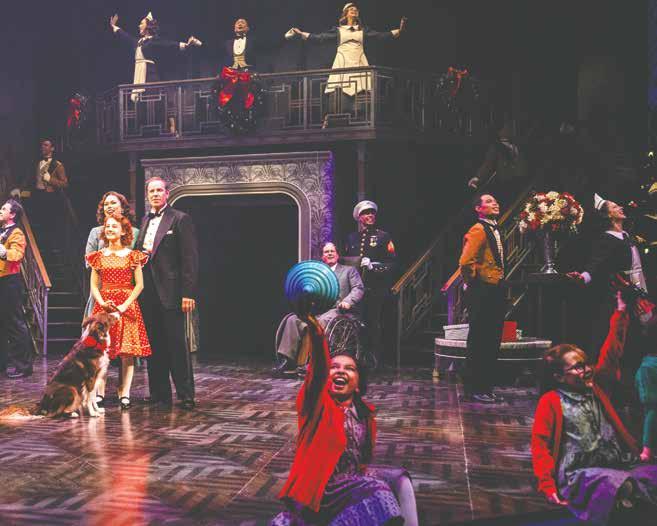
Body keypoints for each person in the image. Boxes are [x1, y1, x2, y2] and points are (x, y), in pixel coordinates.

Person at [273, 315, 418, 525]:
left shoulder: (365, 415)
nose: (340, 370)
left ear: (358, 384)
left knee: (400, 479)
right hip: (324, 488)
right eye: (335, 367)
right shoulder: (316, 405)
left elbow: (361, 460)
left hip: (350, 481)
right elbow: (318, 371)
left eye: (349, 368)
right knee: (378, 492)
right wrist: (317, 332)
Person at [531, 294, 657, 524]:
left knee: (648, 478)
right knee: (621, 486)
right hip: (580, 474)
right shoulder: (551, 401)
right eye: (578, 367)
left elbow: (612, 350)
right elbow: (540, 445)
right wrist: (547, 485)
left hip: (615, 463)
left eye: (586, 363)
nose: (587, 370)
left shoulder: (596, 387)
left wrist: (621, 312)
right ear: (558, 376)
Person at [568, 194, 650, 395]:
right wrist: (584, 277)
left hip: (638, 289)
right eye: (615, 207)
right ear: (608, 216)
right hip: (622, 295)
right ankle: (614, 389)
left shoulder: (627, 236)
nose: (620, 207)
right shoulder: (606, 238)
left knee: (637, 337)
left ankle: (632, 387)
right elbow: (596, 263)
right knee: (621, 338)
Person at [135, 177, 199, 410]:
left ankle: (185, 394)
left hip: (171, 291)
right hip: (148, 291)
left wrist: (187, 293)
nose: (155, 194)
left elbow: (189, 259)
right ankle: (159, 393)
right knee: (154, 344)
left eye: (159, 190)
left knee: (176, 345)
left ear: (167, 193)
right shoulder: (144, 220)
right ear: (147, 195)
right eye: (151, 191)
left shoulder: (180, 219)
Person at [285, 4, 405, 123]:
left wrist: (398, 31)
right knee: (340, 86)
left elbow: (379, 36)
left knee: (361, 86)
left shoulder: (363, 30)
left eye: (356, 9)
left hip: (359, 61)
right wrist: (302, 33)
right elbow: (321, 37)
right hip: (343, 61)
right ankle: (333, 118)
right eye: (351, 9)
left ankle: (362, 117)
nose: (354, 10)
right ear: (345, 13)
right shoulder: (338, 30)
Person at [87, 216, 151, 410]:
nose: (110, 229)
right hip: (104, 306)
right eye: (107, 226)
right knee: (102, 351)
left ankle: (125, 393)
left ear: (123, 231)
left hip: (126, 306)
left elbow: (139, 285)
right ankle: (100, 392)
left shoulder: (133, 256)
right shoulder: (98, 256)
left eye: (114, 226)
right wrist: (101, 303)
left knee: (127, 353)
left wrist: (124, 305)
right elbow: (94, 285)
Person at [274, 242, 364, 377]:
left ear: (337, 254)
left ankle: (313, 361)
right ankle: (287, 359)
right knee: (292, 320)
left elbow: (358, 288)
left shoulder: (349, 271)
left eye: (332, 251)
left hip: (338, 309)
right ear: (322, 256)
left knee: (321, 322)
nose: (330, 254)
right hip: (318, 308)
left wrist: (348, 301)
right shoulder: (317, 273)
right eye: (326, 252)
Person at [458, 194, 506, 403]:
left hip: (495, 288)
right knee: (480, 339)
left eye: (495, 200)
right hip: (482, 288)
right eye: (489, 201)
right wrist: (473, 281)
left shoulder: (494, 228)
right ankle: (475, 387)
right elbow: (466, 261)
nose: (495, 203)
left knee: (492, 339)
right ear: (478, 208)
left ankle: (486, 387)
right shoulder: (478, 229)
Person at [343, 200, 396, 365]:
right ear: (359, 217)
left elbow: (392, 263)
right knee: (355, 321)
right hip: (355, 288)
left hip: (375, 288)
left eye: (372, 213)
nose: (370, 215)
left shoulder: (383, 237)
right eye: (366, 213)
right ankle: (355, 355)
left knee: (373, 323)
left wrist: (374, 266)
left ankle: (374, 358)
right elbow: (346, 262)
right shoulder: (351, 238)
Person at [84, 191, 139, 319]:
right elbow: (88, 263)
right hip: (101, 290)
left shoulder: (135, 233)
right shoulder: (96, 232)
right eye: (106, 204)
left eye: (113, 203)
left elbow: (138, 265)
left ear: (123, 208)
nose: (109, 206)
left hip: (126, 294)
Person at [0, 199, 33, 379]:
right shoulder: (2, 230)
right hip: (1, 280)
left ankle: (23, 366)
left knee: (15, 323)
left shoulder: (17, 232)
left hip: (10, 281)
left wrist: (4, 252)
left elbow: (17, 254)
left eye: (4, 209)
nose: (0, 210)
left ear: (12, 214)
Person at [11, 139, 68, 239]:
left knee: (49, 224)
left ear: (52, 148)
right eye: (42, 145)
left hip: (50, 197)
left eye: (46, 145)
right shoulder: (36, 162)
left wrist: (50, 180)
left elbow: (64, 183)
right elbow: (28, 179)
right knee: (37, 223)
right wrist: (20, 189)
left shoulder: (58, 165)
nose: (43, 147)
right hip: (36, 196)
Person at [636, 348, 657, 462]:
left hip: (647, 398)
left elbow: (636, 382)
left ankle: (648, 450)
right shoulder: (650, 365)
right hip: (652, 399)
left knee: (650, 416)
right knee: (651, 415)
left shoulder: (643, 366)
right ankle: (647, 451)